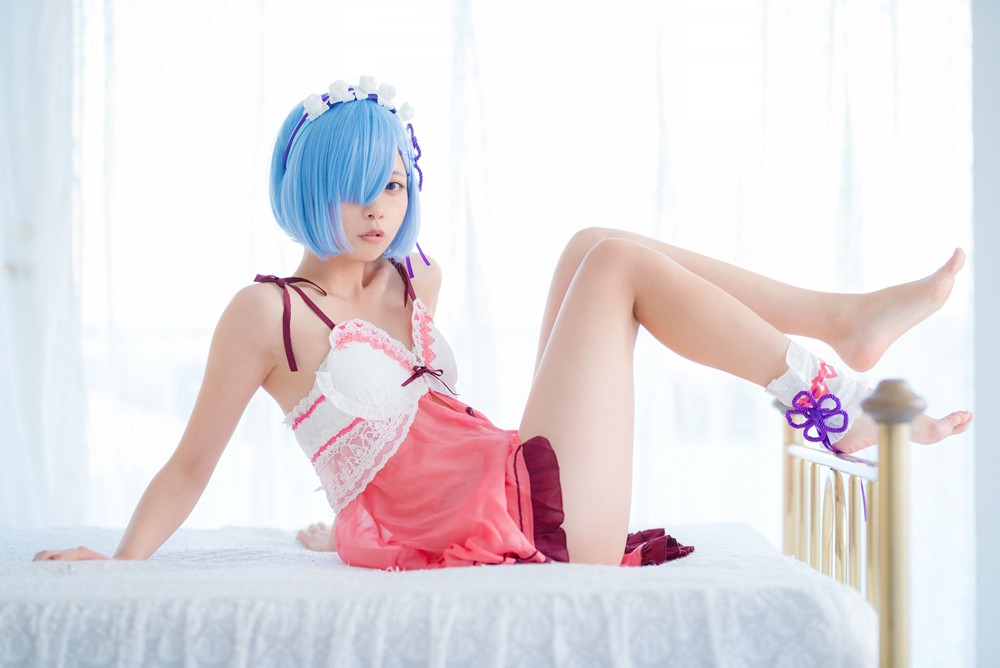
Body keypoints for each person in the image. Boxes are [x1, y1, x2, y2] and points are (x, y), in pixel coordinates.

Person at [34, 76, 973, 568]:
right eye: (357, 188)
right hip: (529, 526)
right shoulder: (265, 314)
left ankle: (842, 320)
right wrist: (121, 562)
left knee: (591, 245)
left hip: (506, 484)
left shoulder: (417, 277)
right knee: (615, 265)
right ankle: (831, 396)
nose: (380, 209)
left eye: (393, 185)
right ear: (310, 189)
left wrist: (357, 520)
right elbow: (191, 464)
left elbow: (424, 434)